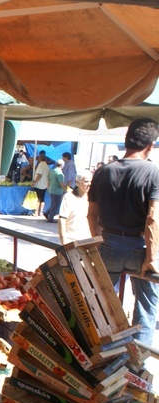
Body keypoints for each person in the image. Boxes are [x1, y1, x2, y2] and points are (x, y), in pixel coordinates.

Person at [87, 117, 159, 345]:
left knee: (103, 306)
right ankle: (138, 367)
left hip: (107, 246)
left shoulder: (103, 172)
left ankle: (105, 355)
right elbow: (152, 219)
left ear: (126, 142)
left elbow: (91, 214)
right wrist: (152, 257)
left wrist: (97, 241)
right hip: (139, 251)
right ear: (150, 146)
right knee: (146, 308)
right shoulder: (153, 173)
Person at [57, 172, 92, 245]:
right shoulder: (69, 197)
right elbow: (62, 219)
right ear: (77, 183)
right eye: (86, 181)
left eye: (91, 181)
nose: (89, 184)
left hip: (87, 239)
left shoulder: (92, 198)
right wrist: (63, 241)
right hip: (71, 239)